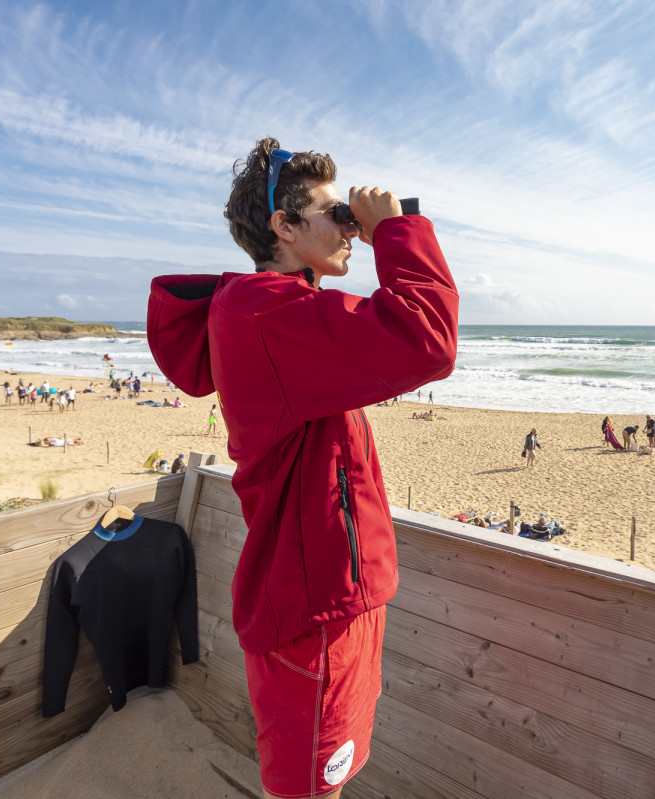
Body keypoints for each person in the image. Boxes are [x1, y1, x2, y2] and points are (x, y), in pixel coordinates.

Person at [146, 137, 458, 799]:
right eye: (334, 214)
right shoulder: (266, 312)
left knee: (324, 776)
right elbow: (427, 342)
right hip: (316, 607)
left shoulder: (281, 312)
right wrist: (396, 231)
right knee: (311, 788)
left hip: (332, 590)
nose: (349, 229)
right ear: (284, 228)